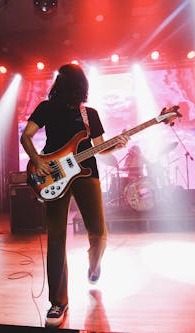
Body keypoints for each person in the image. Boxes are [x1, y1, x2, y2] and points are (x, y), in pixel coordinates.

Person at [20, 63, 128, 327]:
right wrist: (38, 160)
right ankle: (58, 303)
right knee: (56, 239)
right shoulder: (46, 108)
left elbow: (99, 148)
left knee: (99, 233)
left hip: (86, 175)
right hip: (54, 176)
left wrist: (117, 143)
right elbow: (27, 136)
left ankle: (93, 266)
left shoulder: (89, 113)